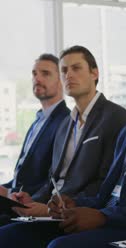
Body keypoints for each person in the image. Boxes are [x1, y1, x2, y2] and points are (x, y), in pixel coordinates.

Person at [1, 45, 126, 218]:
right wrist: (31, 200)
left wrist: (55, 208)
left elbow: (107, 182)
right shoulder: (64, 125)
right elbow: (53, 182)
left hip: (81, 213)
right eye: (64, 70)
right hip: (53, 210)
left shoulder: (115, 116)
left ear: (95, 73)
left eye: (76, 68)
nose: (69, 75)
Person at [0, 54, 69, 223]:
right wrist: (7, 189)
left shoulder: (66, 122)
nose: (37, 78)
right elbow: (23, 176)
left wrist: (10, 194)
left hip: (33, 206)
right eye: (34, 73)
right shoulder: (37, 121)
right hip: (16, 200)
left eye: (45, 73)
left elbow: (52, 179)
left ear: (61, 80)